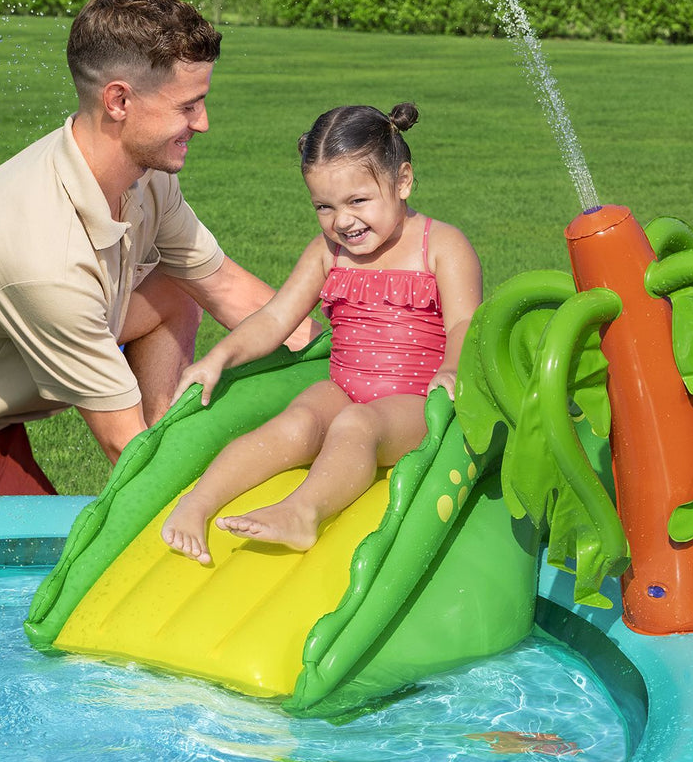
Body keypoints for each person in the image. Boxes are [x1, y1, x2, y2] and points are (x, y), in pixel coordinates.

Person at [0, 0, 315, 501]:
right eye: (187, 106)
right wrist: (201, 500)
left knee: (175, 287)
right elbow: (122, 442)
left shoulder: (147, 177)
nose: (203, 123)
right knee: (56, 553)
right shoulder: (42, 255)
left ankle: (168, 442)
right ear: (119, 101)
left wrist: (342, 363)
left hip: (4, 376)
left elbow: (223, 286)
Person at [161, 102, 482, 563]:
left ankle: (302, 513)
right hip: (344, 388)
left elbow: (464, 322)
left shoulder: (442, 246)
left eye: (358, 201)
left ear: (403, 181)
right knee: (295, 423)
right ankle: (197, 503)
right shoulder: (328, 252)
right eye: (324, 207)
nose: (343, 221)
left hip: (415, 405)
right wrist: (218, 358)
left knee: (357, 424)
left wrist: (451, 369)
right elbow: (275, 319)